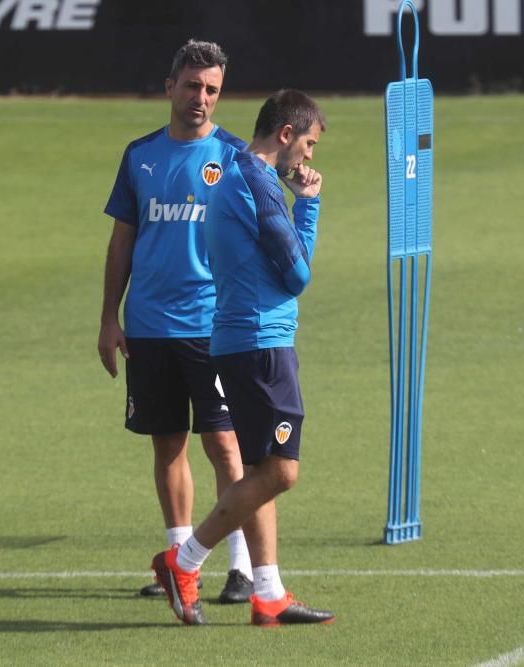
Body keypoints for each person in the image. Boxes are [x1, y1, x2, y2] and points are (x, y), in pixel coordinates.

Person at [151, 89, 335, 626]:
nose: (308, 157)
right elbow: (297, 275)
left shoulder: (234, 175)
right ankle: (183, 562)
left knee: (257, 469)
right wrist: (312, 206)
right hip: (260, 344)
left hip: (240, 337)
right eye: (308, 143)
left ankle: (268, 592)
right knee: (280, 473)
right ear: (285, 135)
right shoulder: (256, 182)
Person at [99, 39, 254, 603]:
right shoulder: (140, 155)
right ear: (170, 88)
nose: (201, 98)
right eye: (192, 86)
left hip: (212, 328)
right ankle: (179, 561)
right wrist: (108, 320)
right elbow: (121, 241)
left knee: (226, 446)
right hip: (147, 327)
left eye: (211, 89)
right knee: (167, 447)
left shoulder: (235, 156)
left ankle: (240, 568)